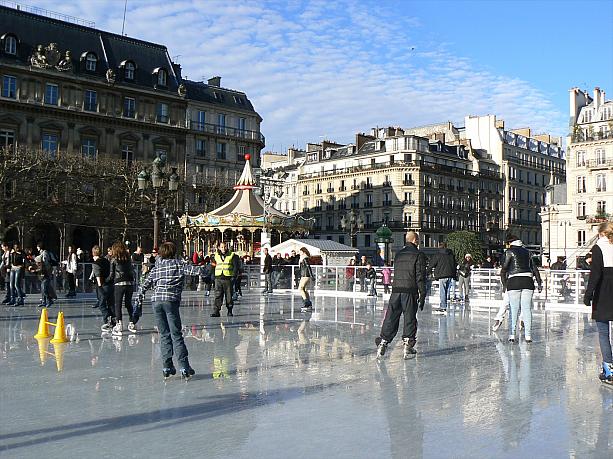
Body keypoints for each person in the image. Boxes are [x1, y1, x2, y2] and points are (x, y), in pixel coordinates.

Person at [135, 241, 205, 379]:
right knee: (176, 334)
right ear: (174, 252)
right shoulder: (178, 264)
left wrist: (138, 303)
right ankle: (184, 367)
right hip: (170, 301)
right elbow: (197, 271)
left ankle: (167, 366)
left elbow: (143, 286)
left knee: (164, 334)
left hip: (156, 301)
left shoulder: (157, 268)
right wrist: (208, 267)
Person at [375, 231, 427, 359]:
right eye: (418, 239)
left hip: (396, 290)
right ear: (414, 240)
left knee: (391, 317)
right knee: (409, 317)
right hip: (409, 290)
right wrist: (422, 292)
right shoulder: (418, 255)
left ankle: (383, 342)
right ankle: (408, 345)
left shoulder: (398, 255)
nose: (419, 242)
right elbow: (420, 276)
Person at [583, 222, 613, 383]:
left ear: (601, 233)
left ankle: (609, 370)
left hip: (603, 292)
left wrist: (588, 295)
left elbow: (595, 274)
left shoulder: (598, 248)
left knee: (603, 333)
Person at [500, 235, 542, 343]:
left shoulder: (508, 252)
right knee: (527, 309)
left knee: (514, 309)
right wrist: (539, 282)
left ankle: (512, 335)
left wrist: (505, 285)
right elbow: (534, 269)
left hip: (514, 281)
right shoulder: (527, 252)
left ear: (510, 243)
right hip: (528, 281)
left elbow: (504, 269)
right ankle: (528, 336)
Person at [108, 241, 136, 335]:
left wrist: (105, 281)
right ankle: (132, 322)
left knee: (118, 304)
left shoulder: (114, 259)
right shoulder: (128, 258)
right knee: (128, 303)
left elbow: (112, 275)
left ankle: (119, 324)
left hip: (119, 283)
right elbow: (132, 270)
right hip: (129, 283)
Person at [211, 242, 239, 317]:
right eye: (222, 247)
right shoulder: (215, 256)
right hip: (218, 278)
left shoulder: (232, 255)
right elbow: (213, 266)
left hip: (228, 278)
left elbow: (235, 267)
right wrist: (213, 276)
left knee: (229, 295)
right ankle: (216, 311)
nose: (223, 248)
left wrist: (233, 276)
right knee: (217, 295)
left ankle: (229, 310)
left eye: (225, 247)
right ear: (219, 248)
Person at [92, 245, 115, 332]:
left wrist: (99, 287)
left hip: (103, 286)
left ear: (93, 253)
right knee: (111, 303)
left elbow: (98, 276)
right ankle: (114, 320)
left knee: (102, 304)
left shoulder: (96, 264)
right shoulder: (106, 260)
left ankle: (107, 320)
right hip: (110, 285)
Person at [429, 243, 457, 314]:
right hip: (450, 275)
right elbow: (454, 264)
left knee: (442, 291)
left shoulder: (438, 255)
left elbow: (432, 264)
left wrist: (427, 271)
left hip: (442, 275)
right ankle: (445, 306)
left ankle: (443, 307)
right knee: (446, 291)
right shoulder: (451, 255)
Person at [298, 247, 315, 311]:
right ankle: (309, 303)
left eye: (300, 251)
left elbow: (308, 267)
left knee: (300, 288)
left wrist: (311, 275)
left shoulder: (305, 258)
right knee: (304, 289)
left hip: (305, 275)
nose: (299, 252)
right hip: (304, 275)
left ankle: (306, 303)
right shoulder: (302, 258)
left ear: (303, 252)